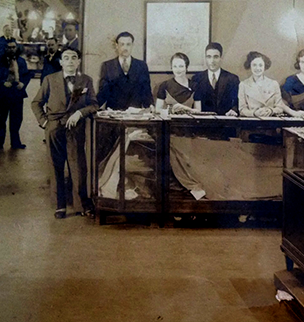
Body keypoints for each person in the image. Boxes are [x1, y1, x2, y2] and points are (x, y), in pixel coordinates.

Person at [32, 47, 99, 219]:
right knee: (56, 166)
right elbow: (36, 103)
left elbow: (94, 104)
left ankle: (81, 204)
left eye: (74, 58)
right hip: (54, 127)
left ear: (79, 62)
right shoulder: (50, 79)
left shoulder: (86, 80)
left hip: (76, 129)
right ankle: (59, 205)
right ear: (61, 62)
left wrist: (80, 113)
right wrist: (45, 122)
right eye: (66, 58)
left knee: (78, 166)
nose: (70, 61)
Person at [159, 52, 208, 201]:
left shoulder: (195, 86)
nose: (178, 69)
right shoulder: (164, 86)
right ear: (171, 67)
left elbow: (199, 111)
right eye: (175, 66)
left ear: (186, 67)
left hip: (188, 131)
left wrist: (185, 109)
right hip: (169, 130)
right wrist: (170, 109)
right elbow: (158, 110)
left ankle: (190, 188)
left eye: (181, 66)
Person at [97, 31, 153, 110]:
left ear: (132, 45)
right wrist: (94, 107)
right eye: (122, 44)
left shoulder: (141, 66)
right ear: (117, 46)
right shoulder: (107, 66)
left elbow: (146, 91)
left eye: (128, 44)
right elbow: (103, 92)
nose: (125, 48)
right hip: (113, 113)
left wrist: (150, 107)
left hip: (135, 113)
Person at [0, 38, 32, 150]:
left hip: (17, 93)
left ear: (16, 48)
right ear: (5, 48)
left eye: (13, 47)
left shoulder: (21, 61)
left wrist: (23, 83)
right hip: (3, 93)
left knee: (17, 119)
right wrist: (2, 83)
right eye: (9, 47)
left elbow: (27, 75)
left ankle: (15, 142)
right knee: (1, 119)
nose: (11, 49)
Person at [192, 42, 240, 116]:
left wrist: (234, 110)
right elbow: (195, 104)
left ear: (221, 58)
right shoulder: (197, 78)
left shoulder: (232, 79)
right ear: (205, 58)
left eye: (216, 57)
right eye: (209, 57)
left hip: (226, 121)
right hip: (204, 122)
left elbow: (237, 102)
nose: (212, 61)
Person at [238, 51, 287, 117]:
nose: (257, 68)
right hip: (252, 120)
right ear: (250, 66)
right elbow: (242, 109)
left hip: (270, 120)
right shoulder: (243, 85)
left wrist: (271, 111)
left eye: (260, 65)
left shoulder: (274, 84)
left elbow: (280, 108)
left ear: (264, 67)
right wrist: (254, 113)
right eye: (254, 65)